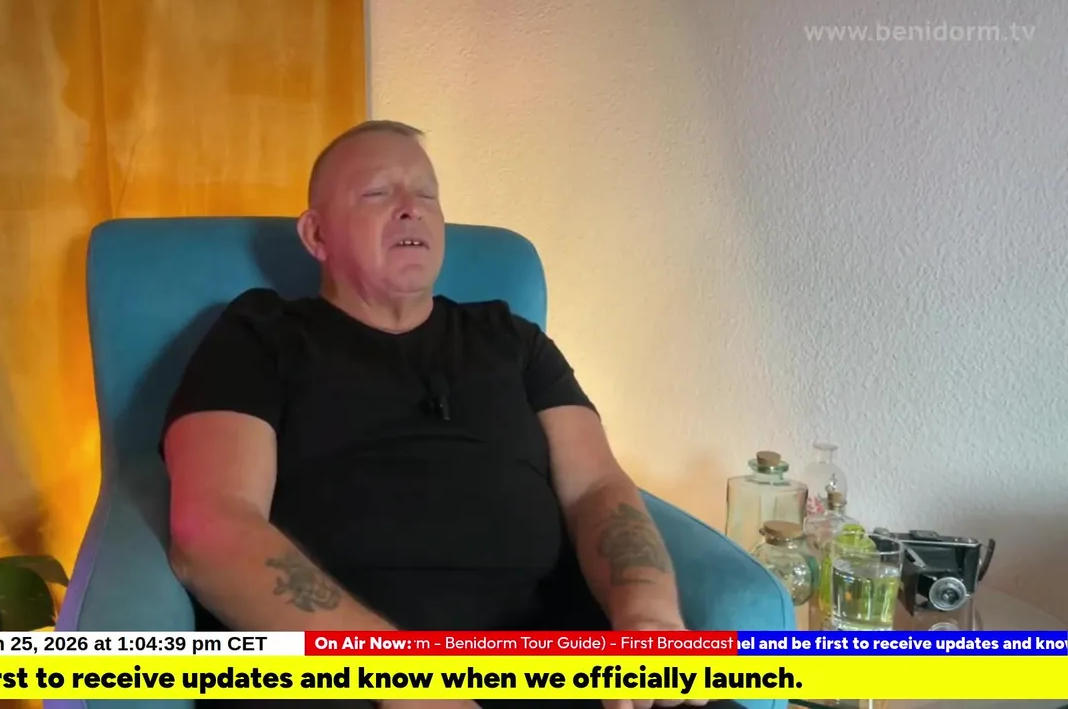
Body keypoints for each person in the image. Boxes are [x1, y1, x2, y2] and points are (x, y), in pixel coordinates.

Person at [163, 120, 746, 709]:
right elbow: (211, 528)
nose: (411, 208)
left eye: (427, 194)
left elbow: (596, 486)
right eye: (378, 192)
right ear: (317, 233)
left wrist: (647, 615)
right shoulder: (261, 336)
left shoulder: (512, 340)